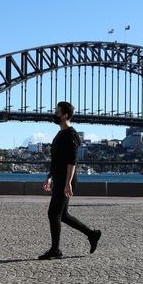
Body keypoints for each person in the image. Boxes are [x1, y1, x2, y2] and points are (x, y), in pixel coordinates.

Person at [39, 101, 102, 260]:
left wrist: (67, 182)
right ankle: (92, 234)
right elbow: (57, 160)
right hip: (59, 178)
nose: (55, 114)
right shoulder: (60, 133)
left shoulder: (71, 134)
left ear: (65, 115)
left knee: (53, 213)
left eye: (57, 112)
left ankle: (55, 250)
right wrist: (49, 176)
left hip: (67, 179)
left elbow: (71, 161)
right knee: (63, 215)